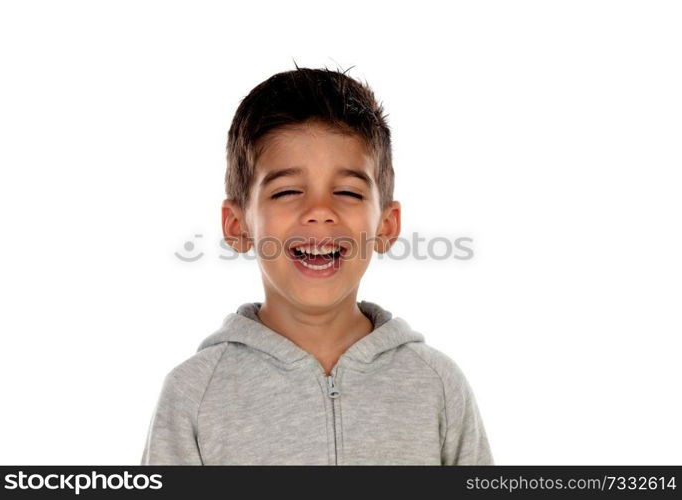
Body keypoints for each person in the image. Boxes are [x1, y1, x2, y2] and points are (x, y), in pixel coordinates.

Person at [141, 66, 493, 465]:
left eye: (347, 191)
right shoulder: (194, 392)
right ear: (237, 226)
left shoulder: (439, 386)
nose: (320, 212)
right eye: (288, 191)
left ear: (386, 225)